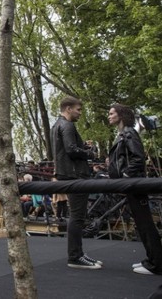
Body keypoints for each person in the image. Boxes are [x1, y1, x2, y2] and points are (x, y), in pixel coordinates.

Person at [107, 104, 162, 276]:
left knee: (145, 223)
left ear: (121, 115)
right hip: (129, 184)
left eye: (111, 113)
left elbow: (138, 158)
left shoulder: (129, 133)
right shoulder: (123, 133)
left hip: (133, 184)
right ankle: (151, 259)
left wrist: (125, 176)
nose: (109, 116)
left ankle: (156, 264)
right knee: (141, 223)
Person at [51, 96, 100, 269]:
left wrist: (82, 147)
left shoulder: (56, 125)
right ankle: (75, 256)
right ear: (68, 108)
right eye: (78, 109)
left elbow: (67, 148)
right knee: (77, 216)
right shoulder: (67, 125)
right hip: (75, 175)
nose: (80, 113)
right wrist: (90, 154)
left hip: (67, 174)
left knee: (76, 216)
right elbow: (71, 149)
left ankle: (77, 253)